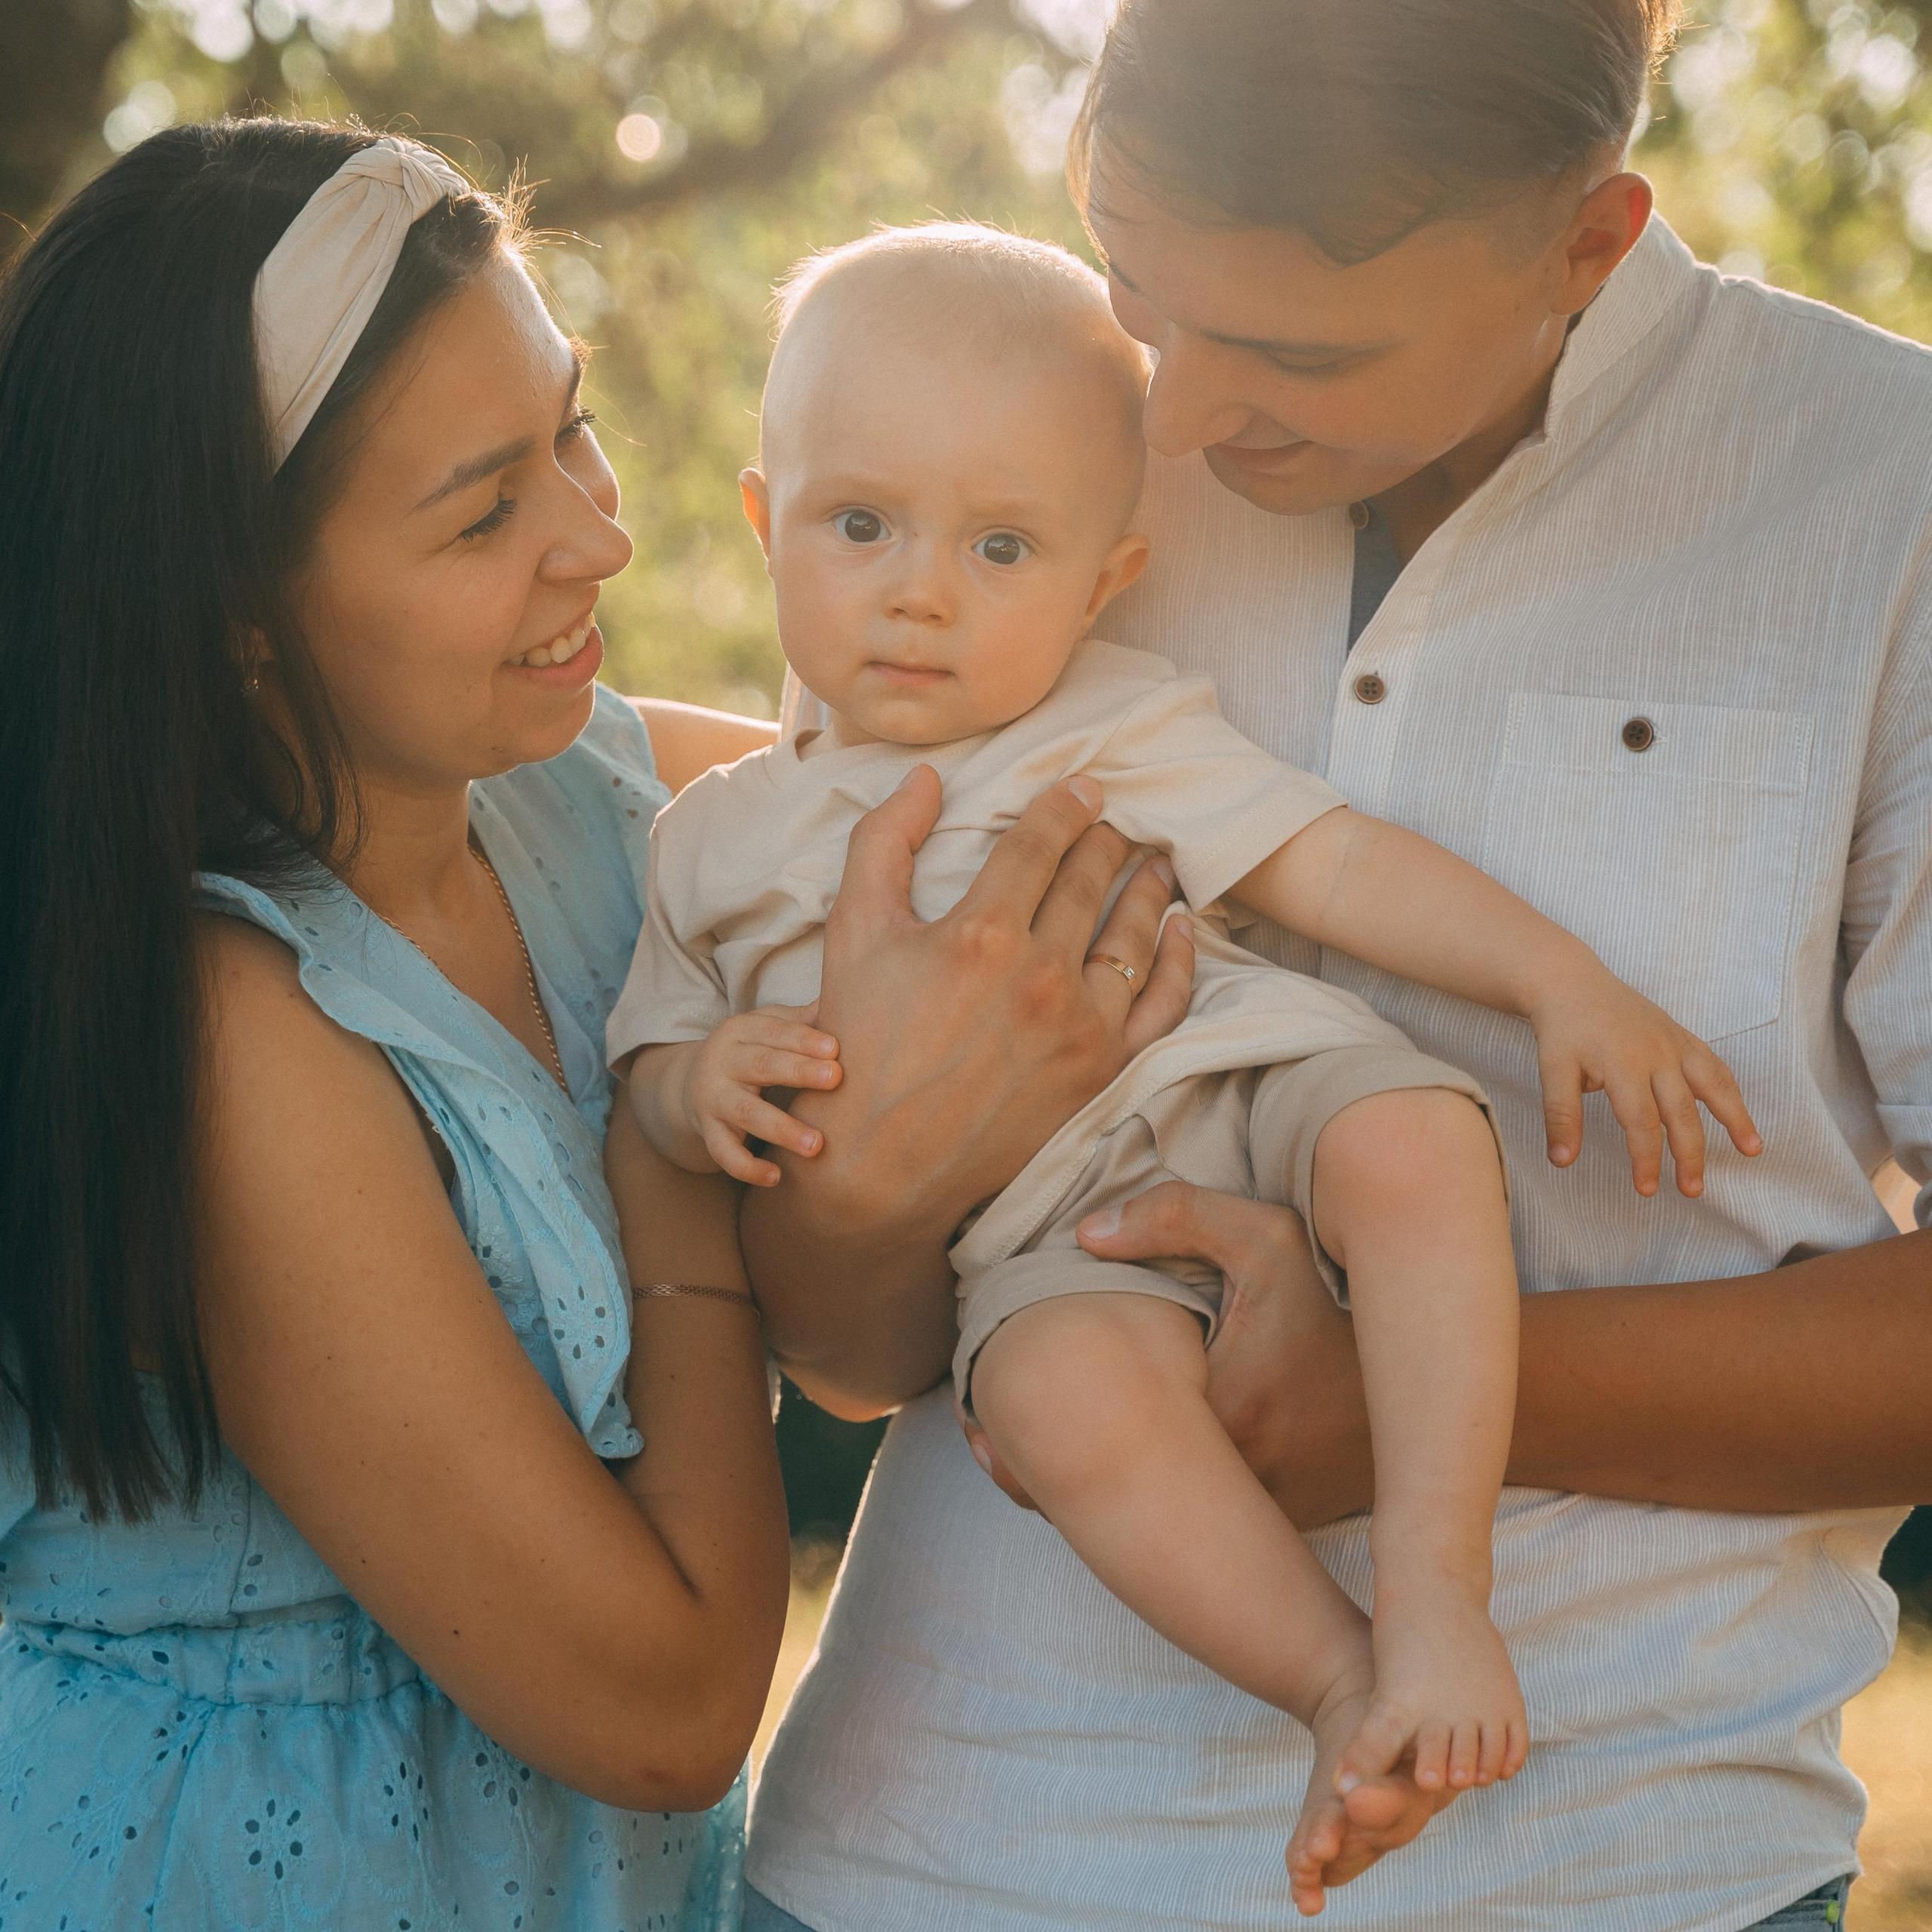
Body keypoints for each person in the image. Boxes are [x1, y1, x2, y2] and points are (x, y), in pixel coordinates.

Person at [740, 2, 1932, 1928]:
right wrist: (867, 1171)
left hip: (1607, 1859)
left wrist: (1416, 1389)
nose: (1180, 415)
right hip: (932, 1844)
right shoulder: (991, 453)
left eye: (1301, 350)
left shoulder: (1885, 500)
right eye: (1138, 289)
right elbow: (845, 1345)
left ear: (1587, 239)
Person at [617, 223, 1766, 1909]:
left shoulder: (1108, 718)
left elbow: (1335, 866)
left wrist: (1555, 977)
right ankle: (1338, 1682)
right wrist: (698, 1077)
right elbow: (650, 1053)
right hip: (1041, 1240)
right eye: (857, 524)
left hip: (1238, 1074)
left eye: (1000, 546)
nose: (919, 588)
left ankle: (1439, 1590)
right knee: (1057, 1401)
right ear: (758, 516)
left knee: (1413, 1139)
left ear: (1102, 577)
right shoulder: (715, 840)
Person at [0, 117, 817, 1929]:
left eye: (573, 427)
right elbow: (665, 1699)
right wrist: (675, 1178)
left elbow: (941, 812)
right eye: (485, 509)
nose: (599, 535)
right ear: (237, 621)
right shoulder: (230, 1027)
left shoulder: (585, 792)